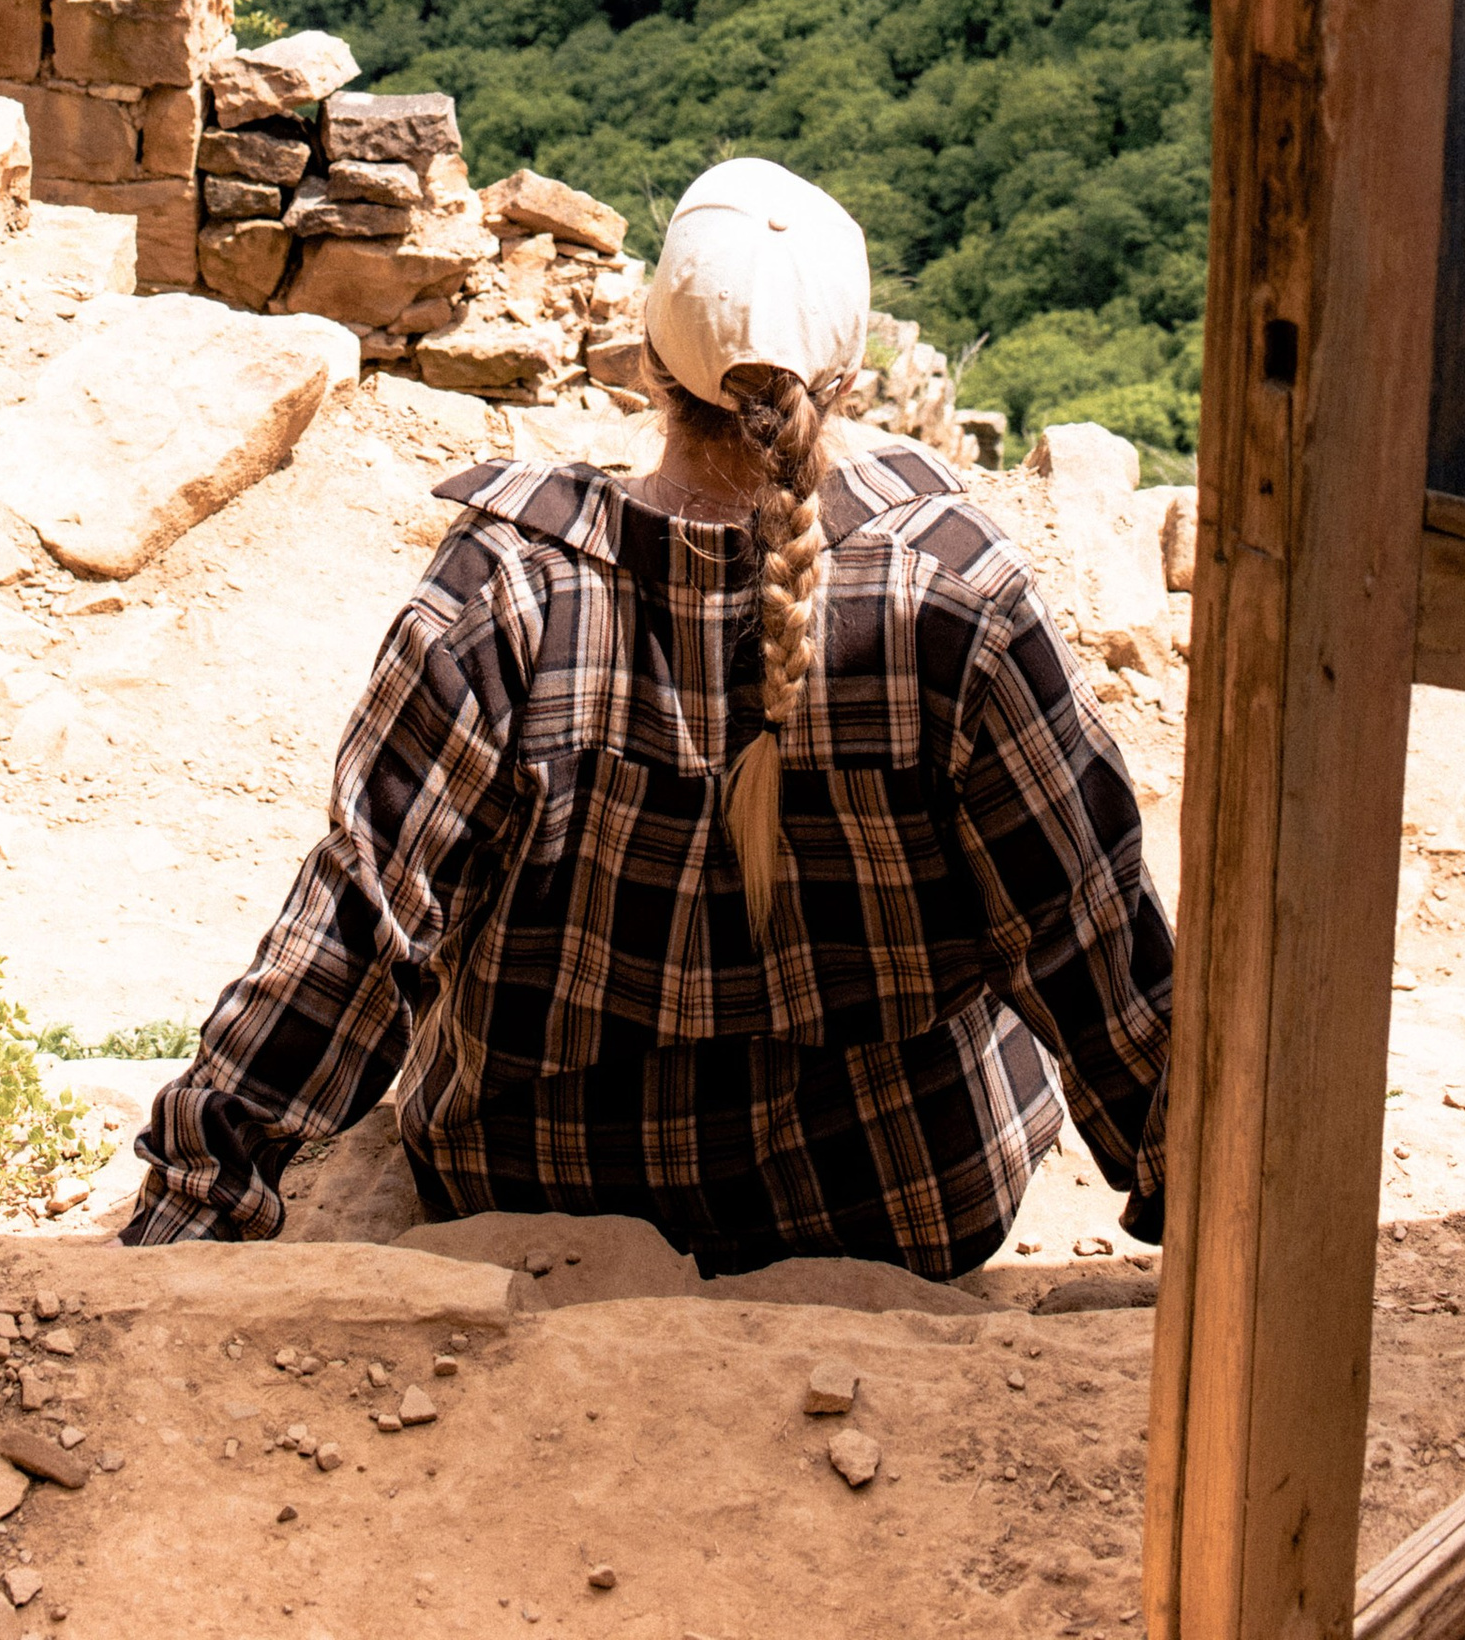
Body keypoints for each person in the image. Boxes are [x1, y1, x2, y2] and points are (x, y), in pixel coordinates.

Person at [124, 153, 1173, 1275]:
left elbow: (359, 921)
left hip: (541, 1180)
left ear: (645, 366)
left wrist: (191, 1210)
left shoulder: (507, 591)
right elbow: (1088, 929)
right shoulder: (958, 595)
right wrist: (1196, 1202)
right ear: (849, 381)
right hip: (896, 1198)